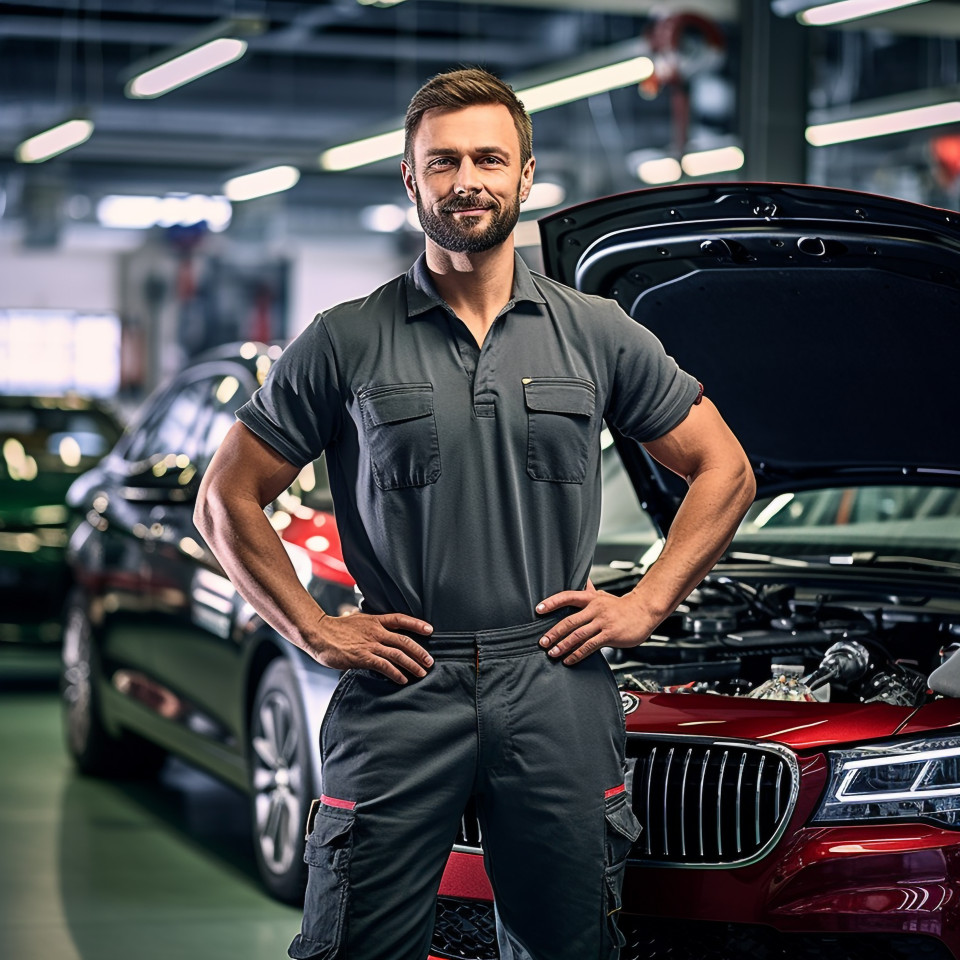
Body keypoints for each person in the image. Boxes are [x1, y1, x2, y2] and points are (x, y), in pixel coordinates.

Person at [195, 67, 755, 960]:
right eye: (443, 161)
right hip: (401, 683)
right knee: (355, 944)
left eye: (490, 158)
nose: (468, 180)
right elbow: (226, 496)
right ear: (412, 180)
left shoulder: (597, 331)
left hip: (553, 681)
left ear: (525, 175)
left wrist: (646, 603)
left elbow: (723, 469)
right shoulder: (347, 337)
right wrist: (313, 630)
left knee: (569, 945)